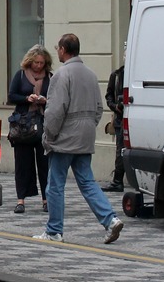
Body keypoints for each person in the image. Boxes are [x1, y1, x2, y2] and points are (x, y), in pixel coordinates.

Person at [34, 33, 125, 244]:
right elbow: (99, 108)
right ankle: (110, 220)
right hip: (85, 137)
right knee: (87, 182)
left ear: (63, 50)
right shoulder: (91, 74)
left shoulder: (61, 75)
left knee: (54, 185)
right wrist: (88, 126)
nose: (57, 52)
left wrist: (49, 135)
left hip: (64, 140)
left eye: (58, 48)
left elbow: (55, 111)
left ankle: (54, 230)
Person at [7, 44, 52, 213]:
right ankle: (21, 200)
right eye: (35, 62)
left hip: (43, 124)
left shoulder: (50, 77)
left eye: (41, 63)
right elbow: (11, 96)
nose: (38, 66)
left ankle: (46, 200)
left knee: (44, 163)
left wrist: (44, 100)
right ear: (29, 61)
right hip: (23, 125)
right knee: (22, 163)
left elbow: (55, 98)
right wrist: (27, 98)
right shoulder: (20, 75)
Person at [102, 44, 127, 192]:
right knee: (120, 149)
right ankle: (118, 180)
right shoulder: (117, 75)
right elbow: (109, 96)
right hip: (120, 119)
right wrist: (115, 106)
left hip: (133, 118)